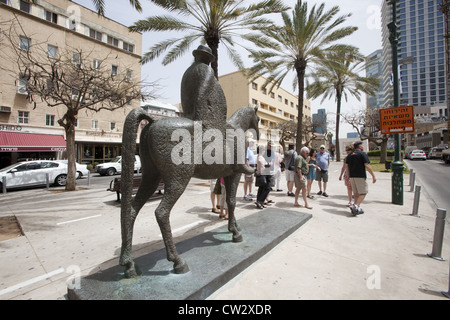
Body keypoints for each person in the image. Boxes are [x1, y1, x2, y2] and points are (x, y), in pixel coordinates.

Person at [345, 141, 376, 216]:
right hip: (360, 176)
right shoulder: (362, 154)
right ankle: (356, 206)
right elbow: (367, 165)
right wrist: (373, 176)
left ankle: (356, 207)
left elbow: (346, 167)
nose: (363, 147)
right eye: (362, 145)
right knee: (363, 192)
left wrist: (348, 177)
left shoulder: (349, 155)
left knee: (356, 193)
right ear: (360, 147)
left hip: (352, 176)